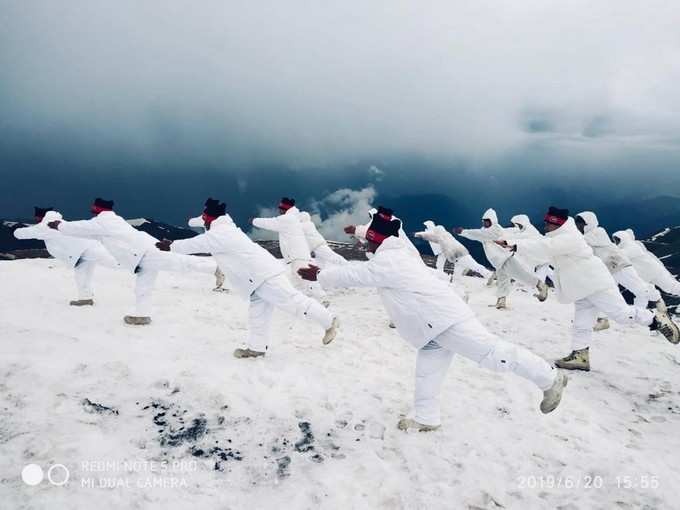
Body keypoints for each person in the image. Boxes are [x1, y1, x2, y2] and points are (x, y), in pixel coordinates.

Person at [298, 208, 567, 431]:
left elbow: (356, 275)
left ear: (376, 240)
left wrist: (319, 275)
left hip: (444, 320)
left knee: (493, 354)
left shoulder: (388, 261)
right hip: (433, 326)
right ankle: (426, 418)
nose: (365, 243)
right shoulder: (394, 250)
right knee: (427, 373)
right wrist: (357, 231)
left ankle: (549, 378)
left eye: (368, 239)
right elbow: (375, 239)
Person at [497, 207, 680, 372]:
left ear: (557, 224)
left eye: (548, 223)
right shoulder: (559, 236)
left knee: (622, 314)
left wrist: (515, 245)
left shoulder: (570, 237)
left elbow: (546, 248)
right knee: (581, 323)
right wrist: (512, 242)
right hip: (582, 287)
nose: (545, 225)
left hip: (595, 284)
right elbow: (542, 246)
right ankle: (580, 356)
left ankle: (656, 318)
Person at [158, 198, 339, 358]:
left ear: (211, 219)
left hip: (264, 276)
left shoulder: (221, 234)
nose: (202, 220)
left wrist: (171, 246)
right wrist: (191, 221)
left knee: (294, 302)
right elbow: (201, 220)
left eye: (204, 218)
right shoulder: (222, 226)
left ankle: (329, 321)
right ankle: (256, 348)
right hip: (255, 280)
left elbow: (197, 243)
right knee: (258, 315)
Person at [47, 197, 215, 325]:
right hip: (141, 254)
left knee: (178, 263)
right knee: (144, 286)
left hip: (143, 254)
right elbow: (84, 231)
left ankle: (215, 268)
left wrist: (59, 226)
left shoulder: (103, 222)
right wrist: (62, 228)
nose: (91, 208)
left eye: (93, 206)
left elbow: (79, 227)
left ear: (97, 208)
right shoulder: (109, 221)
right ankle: (142, 315)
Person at [14, 206, 119, 306]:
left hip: (87, 250)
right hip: (82, 254)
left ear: (40, 216)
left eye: (36, 216)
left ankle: (135, 268)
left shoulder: (47, 225)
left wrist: (15, 231)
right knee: (81, 275)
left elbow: (24, 233)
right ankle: (85, 298)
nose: (35, 218)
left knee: (116, 263)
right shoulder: (60, 222)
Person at [576, 212, 663, 331]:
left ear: (588, 224)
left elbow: (583, 242)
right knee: (603, 293)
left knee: (638, 287)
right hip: (608, 269)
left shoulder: (596, 233)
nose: (578, 226)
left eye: (580, 223)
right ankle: (602, 319)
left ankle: (658, 301)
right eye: (577, 223)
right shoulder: (589, 235)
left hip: (619, 265)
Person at [456, 209, 548, 309]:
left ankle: (541, 285)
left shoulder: (495, 230)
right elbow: (478, 235)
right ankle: (501, 301)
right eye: (484, 221)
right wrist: (464, 233)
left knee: (521, 275)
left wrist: (463, 232)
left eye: (487, 221)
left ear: (493, 221)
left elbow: (478, 234)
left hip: (505, 259)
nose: (485, 223)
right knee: (502, 281)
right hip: (498, 262)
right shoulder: (485, 231)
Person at [252, 197, 326, 300]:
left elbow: (270, 223)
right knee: (297, 281)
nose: (279, 210)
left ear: (284, 208)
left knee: (306, 278)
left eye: (280, 208)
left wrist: (254, 221)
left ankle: (322, 298)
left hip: (297, 256)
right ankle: (299, 302)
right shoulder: (293, 218)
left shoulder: (288, 219)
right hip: (298, 255)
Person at [612, 229, 680, 302]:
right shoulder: (627, 248)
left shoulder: (632, 246)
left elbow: (621, 256)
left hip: (654, 272)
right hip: (646, 275)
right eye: (615, 240)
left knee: (671, 287)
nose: (616, 242)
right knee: (645, 295)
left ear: (624, 238)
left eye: (618, 239)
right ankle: (644, 311)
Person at [414, 221, 492, 278]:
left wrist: (419, 234)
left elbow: (431, 237)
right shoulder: (448, 236)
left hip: (458, 255)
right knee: (458, 272)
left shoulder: (441, 237)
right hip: (461, 255)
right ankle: (457, 281)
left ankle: (488, 274)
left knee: (474, 266)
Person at [188, 200, 228, 292]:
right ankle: (220, 285)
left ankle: (220, 285)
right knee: (222, 266)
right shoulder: (211, 217)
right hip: (218, 247)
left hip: (220, 246)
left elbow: (190, 222)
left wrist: (202, 219)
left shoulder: (216, 219)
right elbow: (191, 222)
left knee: (223, 266)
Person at [507, 214, 554, 284]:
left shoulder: (529, 232)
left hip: (540, 256)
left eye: (516, 225)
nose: (515, 227)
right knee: (545, 270)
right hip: (541, 258)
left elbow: (520, 240)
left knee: (538, 270)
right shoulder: (526, 230)